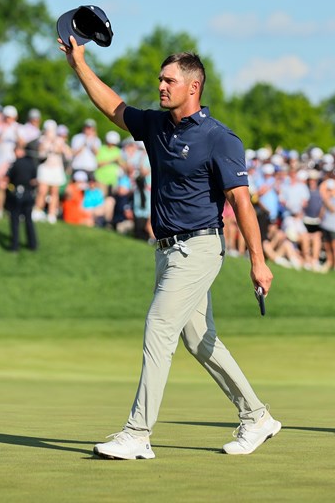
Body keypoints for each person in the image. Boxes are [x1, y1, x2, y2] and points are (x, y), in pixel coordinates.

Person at [61, 38, 278, 459]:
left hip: (200, 248)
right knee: (201, 341)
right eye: (160, 79)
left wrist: (258, 260)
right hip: (166, 251)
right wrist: (78, 64)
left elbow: (241, 203)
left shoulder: (219, 139)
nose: (160, 86)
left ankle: (138, 433)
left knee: (159, 327)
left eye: (168, 80)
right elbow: (113, 107)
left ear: (193, 87)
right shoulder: (158, 127)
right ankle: (257, 416)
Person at [6, 144, 38, 252]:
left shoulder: (15, 164)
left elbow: (8, 178)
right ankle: (33, 244)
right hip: (29, 194)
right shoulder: (31, 164)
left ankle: (15, 246)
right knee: (29, 220)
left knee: (15, 220)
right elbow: (34, 180)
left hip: (17, 194)